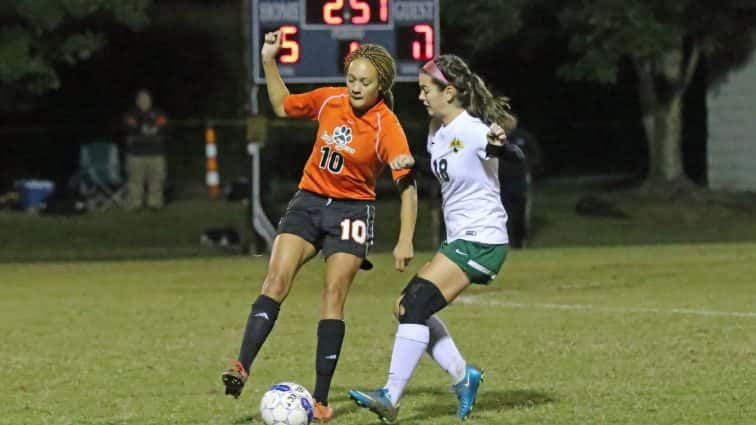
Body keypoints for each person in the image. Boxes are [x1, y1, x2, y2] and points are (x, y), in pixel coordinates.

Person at [221, 29, 418, 422]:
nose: (356, 87)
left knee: (333, 294)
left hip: (352, 212)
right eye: (352, 79)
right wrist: (268, 60)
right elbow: (282, 105)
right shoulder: (330, 99)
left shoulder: (387, 126)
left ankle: (322, 399)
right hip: (308, 202)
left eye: (365, 82)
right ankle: (240, 367)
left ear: (382, 85)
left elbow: (408, 188)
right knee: (275, 280)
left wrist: (404, 240)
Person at [348, 54, 515, 423]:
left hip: (482, 238)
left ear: (450, 92)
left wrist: (500, 142)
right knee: (404, 308)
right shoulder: (436, 132)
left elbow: (500, 148)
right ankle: (463, 376)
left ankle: (390, 396)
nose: (421, 96)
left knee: (414, 306)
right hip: (462, 238)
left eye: (426, 90)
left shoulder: (473, 129)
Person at [123, 89, 168, 211]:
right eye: (141, 99)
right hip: (136, 154)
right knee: (135, 181)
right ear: (137, 101)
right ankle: (135, 204)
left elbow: (163, 124)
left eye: (146, 99)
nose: (144, 101)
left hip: (156, 153)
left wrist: (154, 129)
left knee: (156, 180)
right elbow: (130, 125)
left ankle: (155, 203)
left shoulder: (158, 112)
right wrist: (143, 129)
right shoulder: (131, 113)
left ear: (150, 100)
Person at [498, 126, 541, 248]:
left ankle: (520, 243)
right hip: (499, 182)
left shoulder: (523, 137)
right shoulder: (494, 137)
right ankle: (503, 243)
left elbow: (535, 155)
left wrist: (528, 168)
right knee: (501, 213)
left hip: (520, 180)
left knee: (520, 213)